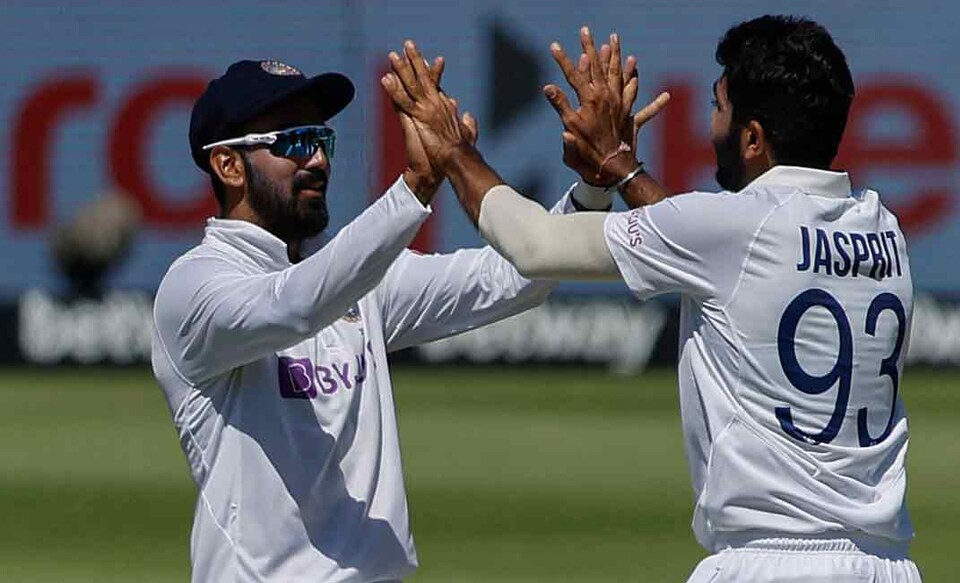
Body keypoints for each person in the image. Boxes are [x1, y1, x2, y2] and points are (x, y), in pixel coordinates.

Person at [383, 17, 921, 583]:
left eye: (718, 109)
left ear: (754, 138)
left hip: (767, 563)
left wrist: (454, 151)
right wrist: (620, 168)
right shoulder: (882, 228)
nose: (710, 125)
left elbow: (535, 246)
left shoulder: (732, 230)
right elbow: (717, 255)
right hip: (884, 565)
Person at [150, 57, 664, 582]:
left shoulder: (353, 277)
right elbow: (294, 306)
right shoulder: (194, 289)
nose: (318, 161)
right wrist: (416, 185)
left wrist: (594, 191)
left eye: (321, 141)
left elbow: (512, 280)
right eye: (293, 142)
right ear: (228, 166)